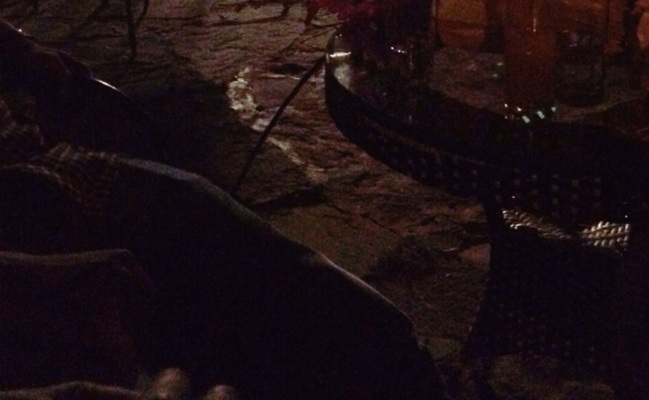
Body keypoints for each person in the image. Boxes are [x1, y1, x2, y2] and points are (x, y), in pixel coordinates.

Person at [0, 22, 448, 400]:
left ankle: (393, 358)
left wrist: (20, 47)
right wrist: (45, 273)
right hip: (44, 210)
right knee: (284, 310)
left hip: (65, 179)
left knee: (295, 290)